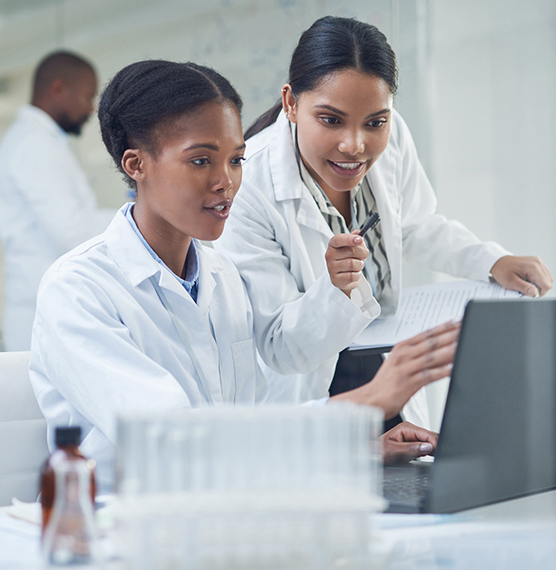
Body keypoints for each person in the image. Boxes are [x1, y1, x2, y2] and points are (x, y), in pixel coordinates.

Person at [29, 60, 459, 491]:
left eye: (236, 160)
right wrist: (365, 401)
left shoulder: (222, 278)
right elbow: (173, 440)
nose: (226, 182)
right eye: (201, 161)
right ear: (136, 164)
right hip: (123, 530)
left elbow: (252, 427)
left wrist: (354, 449)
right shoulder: (78, 289)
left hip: (224, 511)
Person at [214, 16, 554, 423]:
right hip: (311, 394)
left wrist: (489, 261)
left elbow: (414, 224)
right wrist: (336, 289)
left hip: (385, 367)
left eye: (375, 122)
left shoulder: (393, 138)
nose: (355, 145)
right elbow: (280, 347)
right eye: (331, 119)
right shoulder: (248, 184)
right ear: (291, 103)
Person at [0, 51, 115, 351]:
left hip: (50, 306)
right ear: (58, 90)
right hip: (40, 313)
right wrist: (141, 217)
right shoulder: (33, 144)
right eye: (88, 96)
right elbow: (72, 231)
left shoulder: (43, 141)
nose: (91, 108)